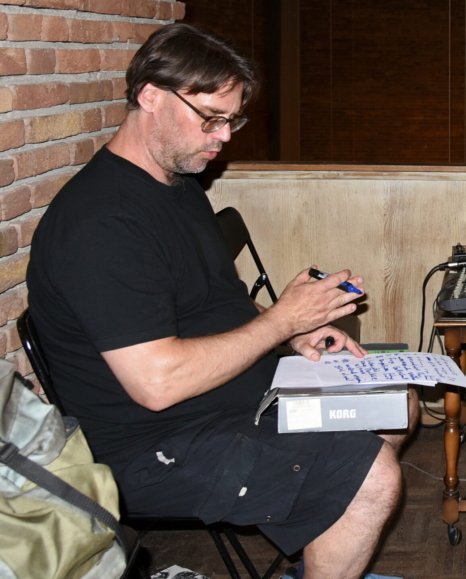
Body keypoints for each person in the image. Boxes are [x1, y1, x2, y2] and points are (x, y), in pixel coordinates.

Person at [26, 23, 416, 579]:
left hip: (228, 396)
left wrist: (294, 329)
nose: (225, 137)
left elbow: (220, 305)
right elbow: (157, 384)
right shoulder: (102, 224)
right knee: (374, 477)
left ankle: (326, 540)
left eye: (233, 120)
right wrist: (281, 320)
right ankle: (336, 516)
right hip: (154, 447)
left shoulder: (179, 185)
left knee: (396, 405)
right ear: (150, 96)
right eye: (211, 118)